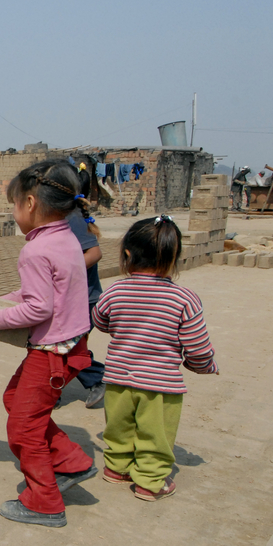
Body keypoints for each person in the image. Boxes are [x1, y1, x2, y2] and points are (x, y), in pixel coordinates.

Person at [0, 158, 97, 528]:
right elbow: (37, 293)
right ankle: (72, 462)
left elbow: (39, 307)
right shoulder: (66, 238)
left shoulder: (35, 250)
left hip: (52, 352)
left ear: (30, 204)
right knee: (14, 402)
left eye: (14, 205)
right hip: (71, 347)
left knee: (24, 427)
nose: (14, 213)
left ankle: (44, 502)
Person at [92, 215, 217, 501]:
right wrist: (204, 365)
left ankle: (117, 467)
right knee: (155, 433)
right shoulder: (184, 299)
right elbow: (197, 348)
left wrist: (122, 327)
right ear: (174, 257)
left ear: (126, 255)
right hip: (160, 383)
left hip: (118, 377)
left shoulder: (115, 291)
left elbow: (100, 320)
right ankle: (150, 481)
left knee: (118, 426)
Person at [68, 167, 106, 408]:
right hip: (70, 298)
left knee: (67, 347)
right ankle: (52, 391)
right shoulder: (62, 218)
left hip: (83, 299)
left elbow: (95, 252)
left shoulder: (71, 218)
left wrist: (64, 271)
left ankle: (98, 379)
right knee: (60, 347)